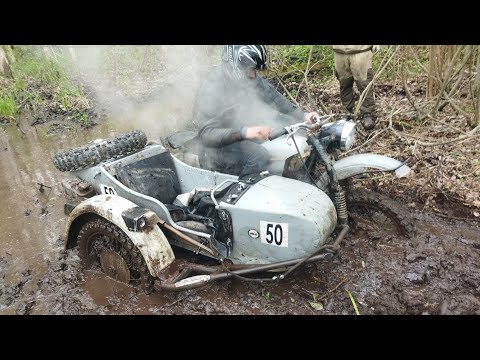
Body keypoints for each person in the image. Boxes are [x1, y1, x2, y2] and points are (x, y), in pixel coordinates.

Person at [193, 45, 319, 177]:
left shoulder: (248, 79)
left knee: (287, 123)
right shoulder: (212, 88)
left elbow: (274, 97)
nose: (254, 75)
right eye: (251, 69)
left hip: (240, 135)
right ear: (236, 64)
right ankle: (242, 190)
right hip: (217, 149)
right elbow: (206, 134)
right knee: (259, 155)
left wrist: (303, 115)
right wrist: (244, 132)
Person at [332, 45, 380, 130]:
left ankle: (367, 113)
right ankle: (348, 111)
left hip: (361, 51)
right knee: (344, 84)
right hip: (339, 51)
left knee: (364, 84)